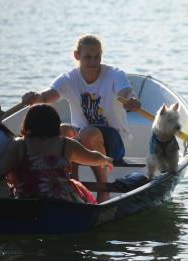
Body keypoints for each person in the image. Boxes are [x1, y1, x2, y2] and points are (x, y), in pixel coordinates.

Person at [16, 34, 141, 202]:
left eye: (97, 56)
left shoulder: (114, 74)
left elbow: (125, 91)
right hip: (82, 138)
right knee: (61, 130)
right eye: (88, 57)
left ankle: (103, 190)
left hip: (116, 141)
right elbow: (46, 97)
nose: (93, 61)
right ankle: (71, 185)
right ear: (77, 56)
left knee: (88, 133)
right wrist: (34, 97)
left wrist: (130, 99)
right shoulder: (69, 78)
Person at [0, 104, 113, 204]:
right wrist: (106, 159)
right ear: (55, 124)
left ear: (27, 124)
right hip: (63, 203)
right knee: (78, 189)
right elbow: (93, 157)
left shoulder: (20, 145)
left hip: (27, 202)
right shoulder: (66, 145)